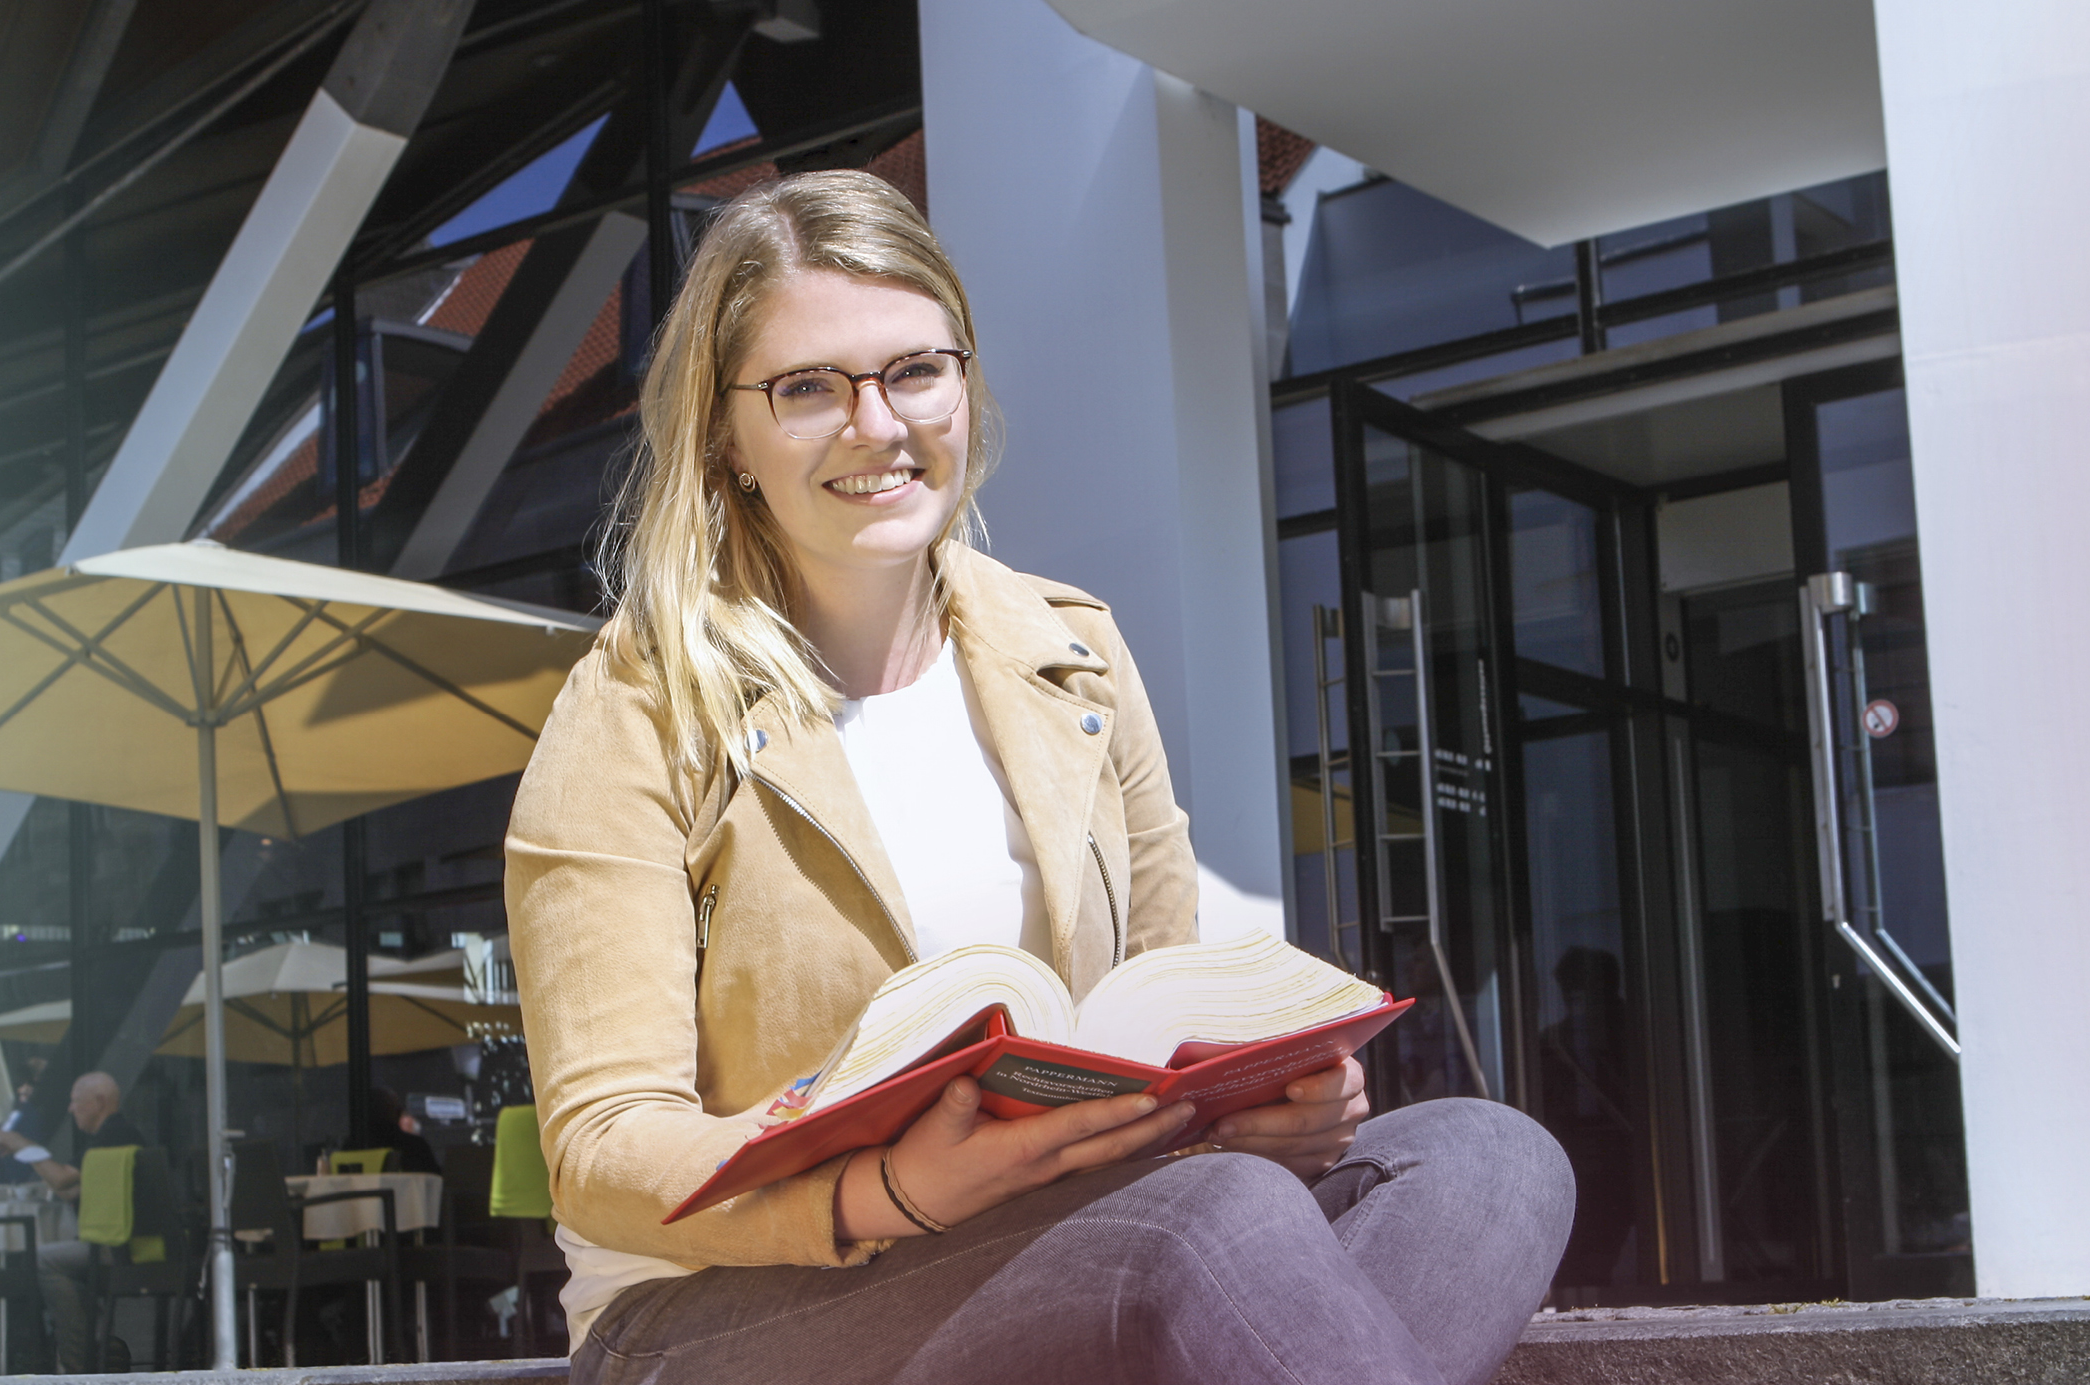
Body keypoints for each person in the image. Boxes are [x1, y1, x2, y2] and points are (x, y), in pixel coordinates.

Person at [502, 170, 1576, 1385]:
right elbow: (603, 1144)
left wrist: (1264, 1103)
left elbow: (1172, 1004)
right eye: (807, 388)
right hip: (731, 1310)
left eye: (915, 369)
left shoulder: (1070, 656)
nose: (876, 422)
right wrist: (887, 1187)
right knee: (1205, 1223)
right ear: (724, 435)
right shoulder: (637, 710)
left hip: (1074, 1234)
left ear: (963, 383)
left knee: (1487, 1156)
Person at [22, 1072, 151, 1373]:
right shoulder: (119, 1135)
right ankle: (94, 1346)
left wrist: (23, 1148)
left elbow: (61, 1178)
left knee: (43, 1261)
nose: (70, 1108)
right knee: (64, 1266)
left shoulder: (114, 1136)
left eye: (75, 1101)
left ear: (100, 1102)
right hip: (123, 1243)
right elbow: (69, 1188)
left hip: (122, 1247)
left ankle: (76, 1363)